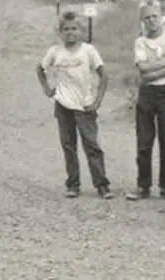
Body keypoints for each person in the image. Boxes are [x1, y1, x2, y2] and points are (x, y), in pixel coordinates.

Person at [36, 11, 112, 199]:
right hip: (63, 105)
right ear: (61, 32)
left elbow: (104, 75)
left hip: (85, 106)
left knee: (92, 145)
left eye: (74, 28)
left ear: (81, 31)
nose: (71, 32)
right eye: (66, 29)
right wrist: (47, 88)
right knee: (69, 145)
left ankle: (102, 184)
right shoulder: (55, 51)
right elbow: (40, 68)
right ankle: (73, 184)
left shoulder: (89, 51)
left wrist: (97, 101)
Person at [127, 0, 165, 201]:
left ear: (161, 17)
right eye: (147, 17)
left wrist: (154, 72)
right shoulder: (140, 41)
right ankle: (143, 185)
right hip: (147, 94)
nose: (152, 21)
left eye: (155, 16)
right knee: (144, 141)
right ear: (142, 20)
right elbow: (142, 68)